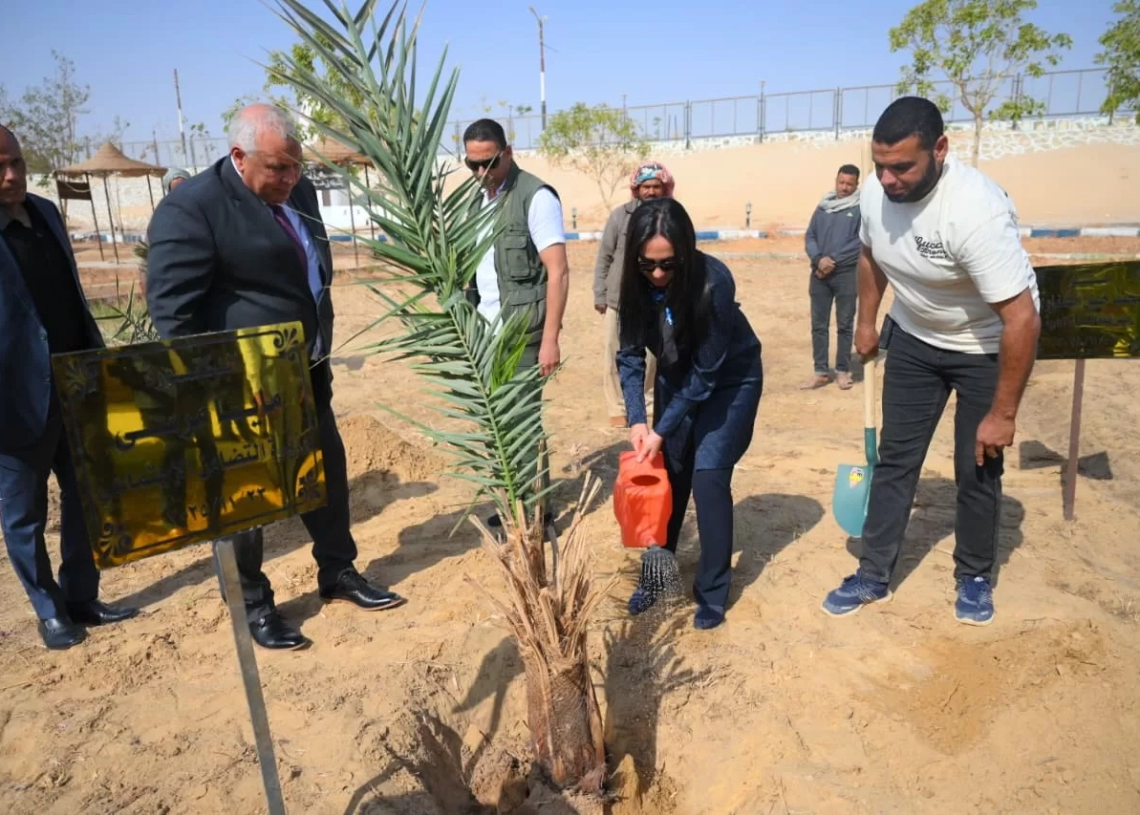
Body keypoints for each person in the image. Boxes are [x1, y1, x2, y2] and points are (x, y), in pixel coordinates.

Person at [146, 104, 405, 651]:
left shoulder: (298, 192)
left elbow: (311, 270)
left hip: (306, 370)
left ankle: (337, 572)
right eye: (276, 169)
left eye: (296, 167)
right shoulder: (192, 210)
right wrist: (211, 392)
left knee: (326, 471)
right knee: (246, 501)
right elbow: (174, 316)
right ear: (238, 157)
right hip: (240, 387)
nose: (289, 179)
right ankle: (254, 606)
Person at [821, 97, 1041, 626]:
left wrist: (1004, 414)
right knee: (896, 460)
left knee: (976, 467)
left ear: (940, 149)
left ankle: (974, 575)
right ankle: (873, 574)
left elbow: (1022, 320)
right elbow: (872, 253)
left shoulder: (974, 211)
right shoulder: (874, 192)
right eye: (881, 165)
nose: (889, 179)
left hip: (986, 346)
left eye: (903, 167)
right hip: (918, 338)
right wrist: (869, 320)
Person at [0, 124, 139, 650]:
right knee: (24, 514)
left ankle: (82, 596)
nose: (12, 175)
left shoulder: (47, 214)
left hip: (75, 384)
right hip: (13, 400)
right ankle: (48, 609)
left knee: (86, 499)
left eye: (16, 161)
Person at [617, 198, 763, 630]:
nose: (659, 274)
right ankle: (657, 578)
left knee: (708, 474)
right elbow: (628, 357)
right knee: (669, 473)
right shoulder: (633, 284)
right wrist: (638, 421)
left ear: (687, 251)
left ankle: (712, 591)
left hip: (729, 381)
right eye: (649, 265)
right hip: (676, 379)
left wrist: (662, 427)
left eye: (669, 264)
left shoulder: (714, 283)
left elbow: (707, 371)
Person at [462, 118, 569, 525]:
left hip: (523, 331)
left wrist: (550, 340)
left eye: (489, 163)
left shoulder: (535, 197)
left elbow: (557, 271)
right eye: (473, 164)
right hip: (485, 332)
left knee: (522, 423)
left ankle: (534, 515)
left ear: (508, 153)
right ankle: (512, 505)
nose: (482, 173)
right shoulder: (476, 202)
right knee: (496, 422)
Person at [593, 161, 673, 428]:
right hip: (619, 297)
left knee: (651, 356)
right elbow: (605, 256)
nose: (650, 192)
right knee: (614, 352)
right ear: (636, 189)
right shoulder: (620, 216)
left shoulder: (671, 217)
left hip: (655, 297)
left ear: (664, 188)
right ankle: (617, 407)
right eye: (646, 186)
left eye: (655, 186)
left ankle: (647, 403)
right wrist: (600, 293)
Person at [802, 164, 862, 391]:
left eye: (849, 184)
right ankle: (820, 372)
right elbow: (810, 235)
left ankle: (843, 370)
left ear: (856, 185)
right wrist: (818, 259)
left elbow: (859, 242)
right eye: (841, 182)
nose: (844, 188)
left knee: (845, 324)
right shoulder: (823, 207)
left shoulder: (860, 209)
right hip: (819, 274)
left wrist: (831, 260)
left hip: (846, 274)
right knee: (819, 325)